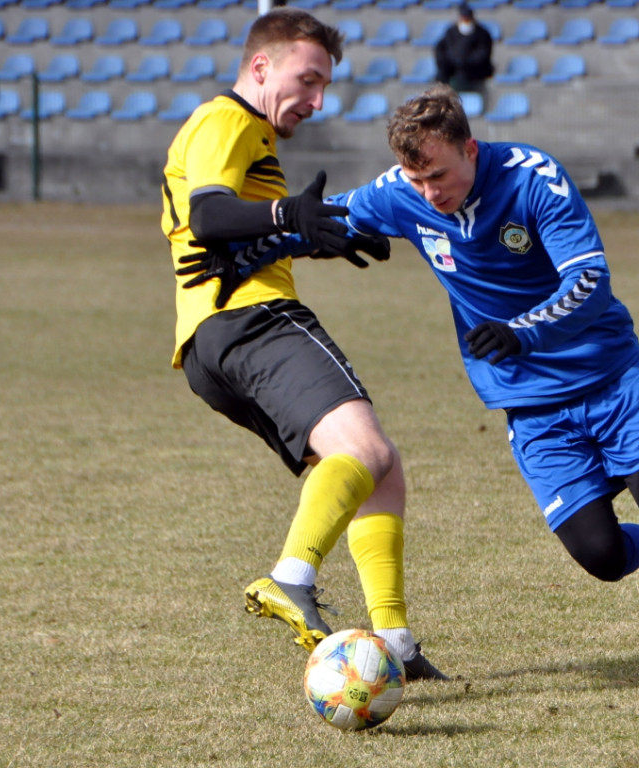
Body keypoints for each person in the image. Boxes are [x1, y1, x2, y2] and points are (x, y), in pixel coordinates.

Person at [192, 84, 639, 696]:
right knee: (602, 557)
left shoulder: (534, 179)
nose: (430, 193)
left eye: (440, 176)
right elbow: (330, 220)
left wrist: (521, 331)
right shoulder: (404, 193)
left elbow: (590, 280)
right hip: (534, 411)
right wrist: (248, 250)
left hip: (612, 380)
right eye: (417, 180)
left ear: (470, 149)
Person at [159, 9, 447, 681]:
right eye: (307, 79)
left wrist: (315, 237)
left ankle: (396, 644)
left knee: (380, 467)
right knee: (366, 451)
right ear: (261, 67)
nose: (316, 101)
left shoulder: (250, 132)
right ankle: (290, 577)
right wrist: (289, 213)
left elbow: (233, 234)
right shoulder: (225, 119)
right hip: (252, 323)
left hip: (217, 338)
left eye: (324, 87)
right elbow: (207, 214)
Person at [434, 4, 494, 98]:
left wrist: (465, 62)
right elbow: (441, 51)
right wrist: (453, 62)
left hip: (476, 78)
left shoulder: (482, 34)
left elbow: (483, 54)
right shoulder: (451, 33)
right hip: (454, 77)